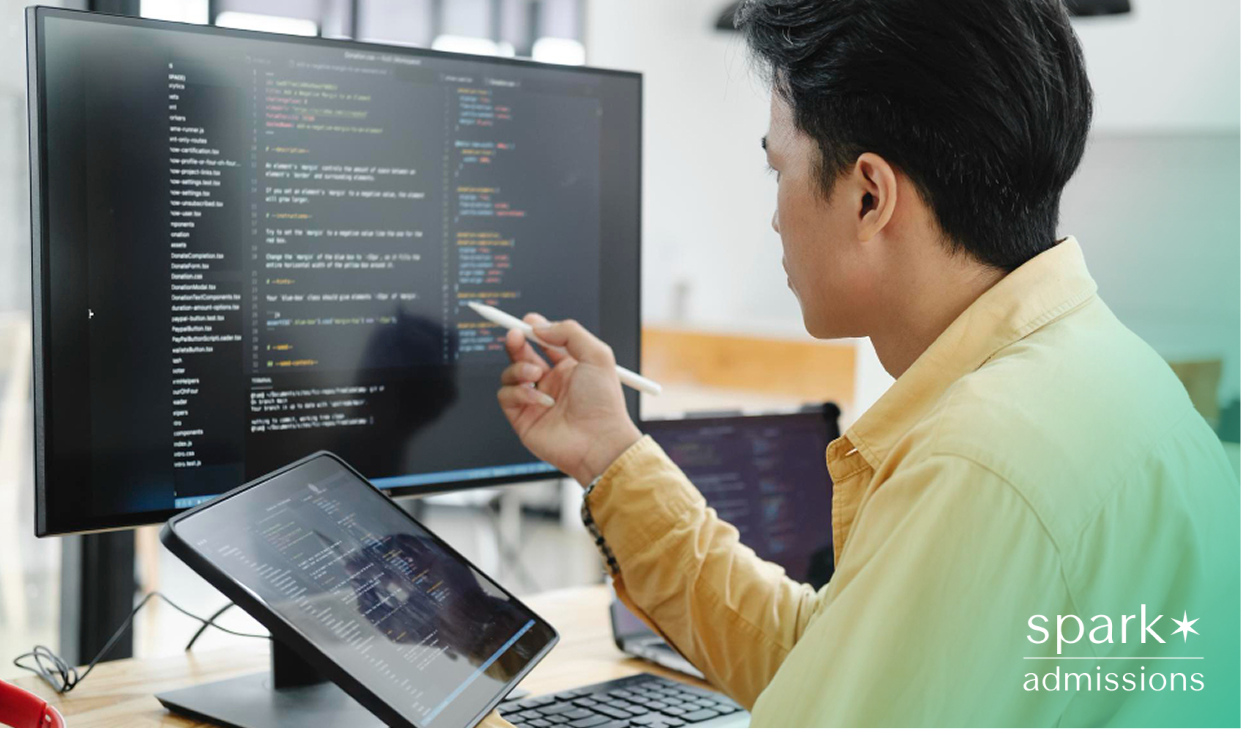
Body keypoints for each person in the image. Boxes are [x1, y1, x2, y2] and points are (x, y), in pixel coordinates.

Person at [493, 0, 1240, 725]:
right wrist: (610, 453)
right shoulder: (1107, 374)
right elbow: (824, 661)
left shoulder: (978, 466)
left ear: (868, 196)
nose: (775, 213)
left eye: (775, 171)